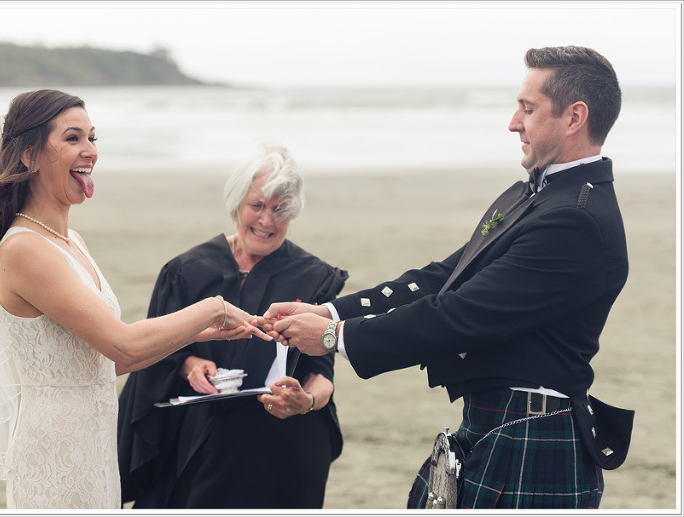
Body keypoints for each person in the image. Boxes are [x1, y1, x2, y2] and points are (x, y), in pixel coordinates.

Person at [259, 46, 634, 509]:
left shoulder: (575, 220)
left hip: (532, 432)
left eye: (528, 108)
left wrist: (336, 336)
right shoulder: (534, 195)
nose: (514, 122)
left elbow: (461, 314)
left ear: (574, 116)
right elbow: (443, 277)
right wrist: (331, 310)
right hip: (498, 422)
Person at [0, 89, 269, 510]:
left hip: (96, 439)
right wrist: (212, 307)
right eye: (73, 138)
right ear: (29, 155)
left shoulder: (72, 242)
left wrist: (200, 331)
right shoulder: (24, 249)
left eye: (93, 138)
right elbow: (123, 343)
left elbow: (111, 361)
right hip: (53, 447)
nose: (90, 151)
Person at [116, 143, 348, 509]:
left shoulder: (314, 278)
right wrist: (190, 364)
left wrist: (305, 402)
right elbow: (157, 347)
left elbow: (322, 377)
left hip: (279, 444)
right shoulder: (186, 271)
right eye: (257, 206)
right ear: (237, 203)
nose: (267, 221)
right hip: (196, 434)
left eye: (281, 209)